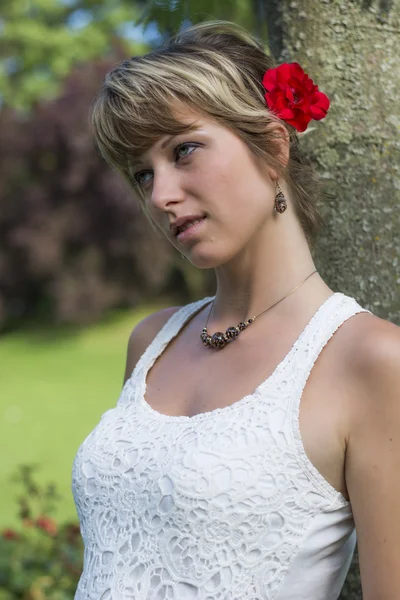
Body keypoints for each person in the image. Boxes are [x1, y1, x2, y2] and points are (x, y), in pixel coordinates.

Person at [71, 20, 400, 600]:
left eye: (184, 150)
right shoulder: (151, 343)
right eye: (142, 173)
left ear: (272, 146)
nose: (159, 195)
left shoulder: (370, 361)